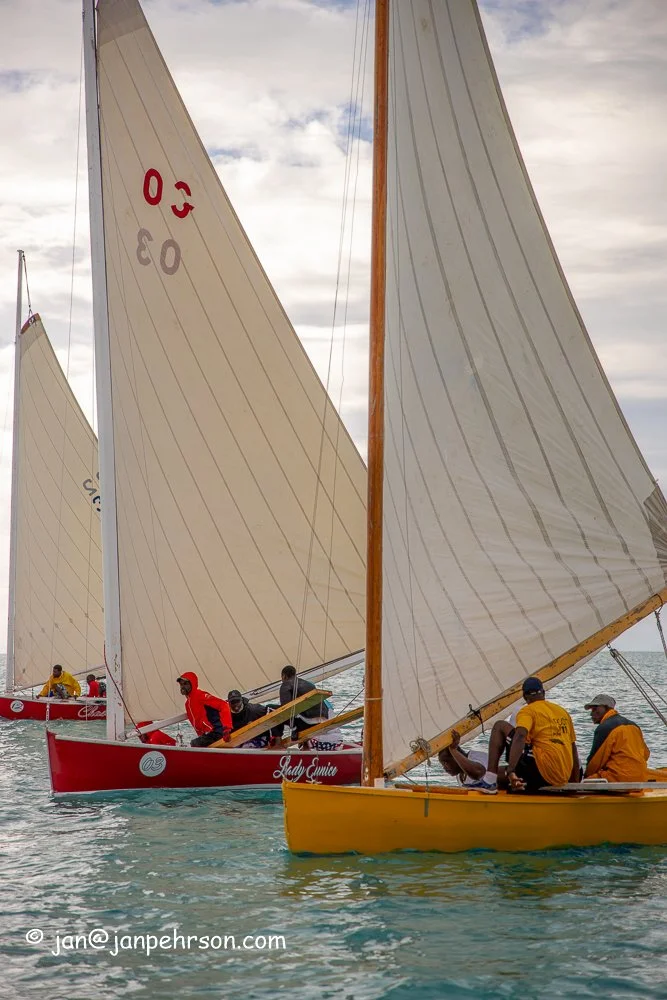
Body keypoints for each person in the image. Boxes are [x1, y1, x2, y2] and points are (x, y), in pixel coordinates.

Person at [470, 678, 579, 794]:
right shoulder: (562, 712)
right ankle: (505, 787)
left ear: (525, 697)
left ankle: (490, 781)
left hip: (543, 774)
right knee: (501, 774)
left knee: (500, 726)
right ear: (543, 693)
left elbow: (521, 735)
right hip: (562, 777)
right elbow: (573, 748)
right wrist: (574, 785)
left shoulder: (528, 711)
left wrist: (511, 771)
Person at [584, 694, 650, 782]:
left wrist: (584, 777)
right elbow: (646, 754)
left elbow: (594, 763)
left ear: (607, 708)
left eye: (595, 709)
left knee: (585, 780)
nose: (591, 713)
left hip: (617, 778)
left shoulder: (605, 728)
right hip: (640, 777)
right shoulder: (634, 725)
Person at [439, 728, 509, 788]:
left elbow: (478, 773)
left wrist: (453, 750)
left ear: (457, 755)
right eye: (442, 764)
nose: (444, 767)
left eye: (445, 762)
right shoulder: (460, 774)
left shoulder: (477, 757)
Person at [177, 672, 232, 747]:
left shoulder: (201, 696)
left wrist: (227, 729)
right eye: (181, 684)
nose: (182, 686)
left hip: (216, 732)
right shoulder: (187, 704)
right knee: (195, 743)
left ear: (192, 684)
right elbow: (196, 725)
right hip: (207, 735)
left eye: (185, 684)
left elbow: (224, 705)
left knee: (194, 744)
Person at [278, 665, 329, 740]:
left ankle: (280, 739)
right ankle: (305, 745)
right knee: (298, 711)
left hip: (308, 722)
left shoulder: (286, 685)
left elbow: (285, 708)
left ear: (284, 676)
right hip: (324, 719)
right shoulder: (308, 684)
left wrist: (292, 727)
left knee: (270, 709)